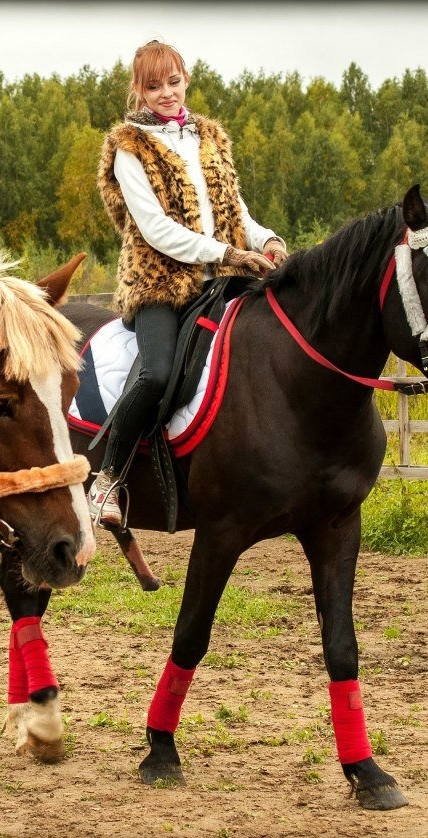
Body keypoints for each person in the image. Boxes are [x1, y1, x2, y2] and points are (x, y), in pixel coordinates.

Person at [89, 39, 289, 527]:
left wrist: (269, 242)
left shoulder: (211, 137)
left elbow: (235, 212)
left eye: (173, 82)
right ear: (138, 89)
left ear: (187, 79)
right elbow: (156, 230)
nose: (166, 93)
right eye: (154, 85)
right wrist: (227, 253)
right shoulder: (128, 147)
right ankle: (107, 479)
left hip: (222, 278)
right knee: (156, 372)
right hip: (159, 284)